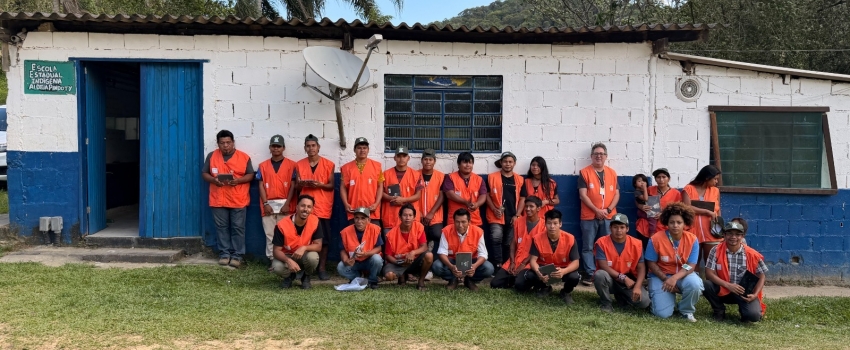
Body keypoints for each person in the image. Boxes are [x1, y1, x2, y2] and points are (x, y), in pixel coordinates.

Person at [202, 130, 254, 268]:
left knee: (238, 228)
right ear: (217, 143)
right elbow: (204, 173)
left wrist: (238, 180)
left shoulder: (243, 157)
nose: (226, 145)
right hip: (218, 199)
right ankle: (224, 254)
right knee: (221, 228)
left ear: (233, 142)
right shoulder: (212, 156)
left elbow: (250, 175)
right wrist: (214, 180)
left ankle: (237, 255)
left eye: (228, 142)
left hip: (238, 199)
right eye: (222, 143)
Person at [645, 202, 704, 321]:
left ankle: (686, 310)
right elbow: (651, 263)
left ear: (685, 224)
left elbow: (691, 265)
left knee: (695, 284)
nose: (675, 225)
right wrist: (666, 279)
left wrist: (675, 278)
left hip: (683, 274)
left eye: (679, 222)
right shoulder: (655, 239)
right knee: (663, 314)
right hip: (661, 276)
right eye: (672, 222)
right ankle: (658, 297)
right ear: (667, 223)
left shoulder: (692, 239)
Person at [704, 221, 767, 323]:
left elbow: (761, 276)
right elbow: (709, 273)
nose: (733, 237)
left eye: (737, 234)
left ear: (743, 236)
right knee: (706, 284)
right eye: (730, 233)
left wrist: (755, 294)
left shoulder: (752, 254)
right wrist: (728, 285)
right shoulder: (715, 250)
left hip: (743, 292)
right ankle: (719, 309)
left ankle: (744, 312)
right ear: (724, 235)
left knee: (754, 316)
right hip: (724, 289)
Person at [515, 210, 581, 304]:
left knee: (575, 277)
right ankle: (545, 288)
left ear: (560, 224)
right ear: (545, 224)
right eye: (549, 223)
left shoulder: (570, 238)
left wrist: (563, 271)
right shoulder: (537, 238)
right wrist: (539, 273)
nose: (552, 226)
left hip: (562, 269)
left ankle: (566, 292)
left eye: (555, 223)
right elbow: (533, 260)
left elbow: (576, 262)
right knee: (529, 275)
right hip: (544, 268)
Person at [577, 142, 620, 285]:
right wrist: (596, 210)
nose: (599, 156)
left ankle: (606, 274)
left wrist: (607, 210)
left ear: (606, 156)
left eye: (601, 154)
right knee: (588, 246)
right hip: (589, 216)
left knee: (607, 246)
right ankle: (590, 274)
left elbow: (616, 194)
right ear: (591, 156)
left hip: (609, 216)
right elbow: (583, 195)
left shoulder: (612, 173)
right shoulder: (584, 172)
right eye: (596, 154)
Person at [295, 134, 336, 280]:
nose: (311, 148)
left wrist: (320, 185)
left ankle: (322, 268)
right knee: (304, 239)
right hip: (306, 208)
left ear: (318, 147)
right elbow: (297, 187)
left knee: (323, 240)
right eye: (308, 146)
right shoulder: (299, 164)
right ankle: (303, 268)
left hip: (323, 206)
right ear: (305, 148)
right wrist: (301, 184)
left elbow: (331, 186)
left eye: (313, 145)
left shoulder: (329, 164)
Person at [593, 214, 650, 312]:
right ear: (610, 228)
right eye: (615, 227)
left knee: (644, 302)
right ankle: (606, 303)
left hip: (630, 280)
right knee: (599, 275)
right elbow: (603, 265)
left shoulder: (636, 244)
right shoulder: (602, 242)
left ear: (627, 229)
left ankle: (621, 296)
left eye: (622, 227)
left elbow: (641, 268)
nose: (618, 230)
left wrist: (637, 286)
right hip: (611, 279)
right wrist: (623, 278)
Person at [257, 135, 297, 264]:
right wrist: (265, 203)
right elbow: (261, 185)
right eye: (273, 146)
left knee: (286, 233)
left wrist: (287, 204)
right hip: (268, 205)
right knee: (270, 234)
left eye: (278, 146)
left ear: (283, 148)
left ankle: (286, 260)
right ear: (270, 148)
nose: (276, 149)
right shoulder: (263, 165)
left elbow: (293, 185)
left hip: (285, 206)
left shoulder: (292, 165)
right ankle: (272, 260)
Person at [432, 209, 494, 291]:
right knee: (436, 266)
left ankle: (469, 280)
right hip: (453, 261)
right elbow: (441, 252)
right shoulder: (446, 231)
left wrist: (474, 267)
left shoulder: (478, 232)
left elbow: (483, 254)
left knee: (489, 268)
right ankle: (453, 279)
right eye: (457, 222)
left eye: (463, 222)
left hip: (472, 262)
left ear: (469, 221)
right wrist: (451, 267)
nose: (460, 225)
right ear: (453, 221)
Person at [491, 196, 545, 289]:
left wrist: (523, 264)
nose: (528, 209)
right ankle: (512, 278)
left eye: (531, 206)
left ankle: (523, 281)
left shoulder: (544, 225)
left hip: (530, 261)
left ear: (538, 208)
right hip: (516, 259)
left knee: (519, 285)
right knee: (495, 284)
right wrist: (512, 262)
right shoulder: (519, 221)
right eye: (526, 206)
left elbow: (539, 250)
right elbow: (513, 243)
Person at [271, 195, 323, 289]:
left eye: (309, 207)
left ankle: (306, 277)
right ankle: (289, 277)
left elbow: (318, 246)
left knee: (313, 257)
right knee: (277, 267)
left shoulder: (315, 221)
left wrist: (304, 247)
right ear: (297, 207)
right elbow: (276, 251)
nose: (305, 209)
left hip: (303, 255)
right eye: (303, 206)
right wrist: (288, 260)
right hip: (287, 255)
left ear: (312, 209)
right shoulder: (282, 225)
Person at [485, 152, 526, 267]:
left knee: (509, 243)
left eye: (510, 162)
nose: (507, 164)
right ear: (501, 163)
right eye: (505, 162)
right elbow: (486, 195)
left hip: (513, 216)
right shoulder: (491, 177)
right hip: (495, 215)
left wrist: (517, 215)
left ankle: (507, 265)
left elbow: (523, 198)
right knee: (496, 238)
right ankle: (498, 265)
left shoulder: (520, 179)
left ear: (514, 163)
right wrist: (493, 209)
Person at [383, 204, 434, 291]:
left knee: (429, 255)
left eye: (410, 215)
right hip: (399, 262)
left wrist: (413, 252)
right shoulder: (391, 234)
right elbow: (388, 255)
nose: (407, 218)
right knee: (389, 276)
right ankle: (402, 276)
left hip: (415, 260)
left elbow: (424, 246)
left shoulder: (419, 227)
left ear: (414, 217)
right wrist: (398, 262)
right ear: (400, 217)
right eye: (405, 215)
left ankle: (421, 281)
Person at [682, 165, 722, 270]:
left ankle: (709, 285)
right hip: (692, 230)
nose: (716, 182)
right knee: (692, 263)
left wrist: (719, 225)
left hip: (711, 231)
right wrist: (707, 212)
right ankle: (693, 284)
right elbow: (686, 207)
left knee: (711, 263)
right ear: (707, 178)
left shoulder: (715, 191)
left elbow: (718, 209)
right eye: (715, 179)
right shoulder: (688, 189)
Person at [340, 137, 383, 226]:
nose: (362, 150)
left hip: (371, 211)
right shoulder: (346, 168)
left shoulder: (377, 166)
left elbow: (380, 187)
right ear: (354, 150)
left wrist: (376, 204)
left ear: (368, 150)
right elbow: (343, 187)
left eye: (364, 148)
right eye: (359, 148)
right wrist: (346, 204)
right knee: (354, 238)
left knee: (374, 237)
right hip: (354, 211)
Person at [337, 207, 384, 289]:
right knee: (341, 266)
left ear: (368, 220)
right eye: (357, 218)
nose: (359, 221)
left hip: (369, 260)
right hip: (354, 262)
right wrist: (346, 260)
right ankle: (357, 279)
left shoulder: (374, 229)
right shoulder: (346, 231)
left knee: (377, 259)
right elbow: (342, 250)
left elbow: (379, 248)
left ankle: (372, 281)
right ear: (353, 219)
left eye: (363, 218)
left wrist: (366, 254)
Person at [635, 168, 682, 250]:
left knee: (662, 252)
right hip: (645, 227)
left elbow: (678, 210)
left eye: (664, 177)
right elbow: (637, 199)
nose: (661, 180)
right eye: (658, 177)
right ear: (655, 179)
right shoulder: (650, 189)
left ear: (669, 179)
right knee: (647, 251)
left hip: (664, 228)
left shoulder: (676, 193)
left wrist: (664, 214)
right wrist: (640, 206)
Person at [381, 145, 423, 234]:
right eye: (399, 156)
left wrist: (403, 200)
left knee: (410, 245)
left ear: (408, 158)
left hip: (409, 219)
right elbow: (380, 193)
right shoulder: (385, 174)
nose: (401, 159)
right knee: (391, 246)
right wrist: (392, 199)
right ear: (394, 158)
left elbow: (418, 195)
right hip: (391, 217)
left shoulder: (416, 174)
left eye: (404, 156)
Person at [443, 152, 487, 227]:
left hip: (474, 219)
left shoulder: (479, 179)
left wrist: (477, 204)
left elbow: (483, 195)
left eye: (470, 162)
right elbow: (449, 194)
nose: (468, 165)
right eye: (465, 162)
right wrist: (465, 202)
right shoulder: (450, 177)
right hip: (456, 220)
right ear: (458, 164)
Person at [419, 148, 445, 256]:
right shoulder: (415, 174)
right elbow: (411, 195)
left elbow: (442, 195)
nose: (428, 162)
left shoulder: (441, 176)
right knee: (419, 238)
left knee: (437, 235)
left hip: (435, 217)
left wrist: (431, 213)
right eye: (425, 159)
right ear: (422, 161)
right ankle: (420, 264)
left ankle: (434, 263)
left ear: (434, 161)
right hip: (418, 216)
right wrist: (418, 212)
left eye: (430, 159)